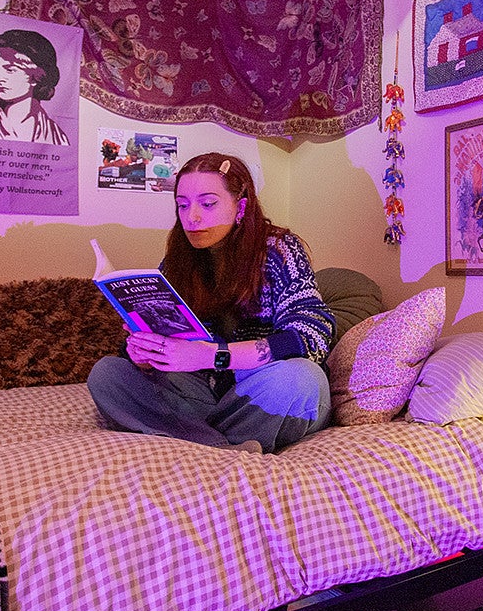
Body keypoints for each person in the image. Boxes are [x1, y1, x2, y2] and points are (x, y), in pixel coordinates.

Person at [87, 152, 335, 454]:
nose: (192, 217)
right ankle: (221, 444)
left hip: (261, 389)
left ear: (240, 207)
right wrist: (146, 352)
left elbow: (313, 336)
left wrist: (211, 356)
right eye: (182, 205)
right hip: (205, 391)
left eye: (208, 204)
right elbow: (174, 348)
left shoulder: (280, 250)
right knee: (107, 375)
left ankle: (191, 437)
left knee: (302, 380)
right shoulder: (179, 257)